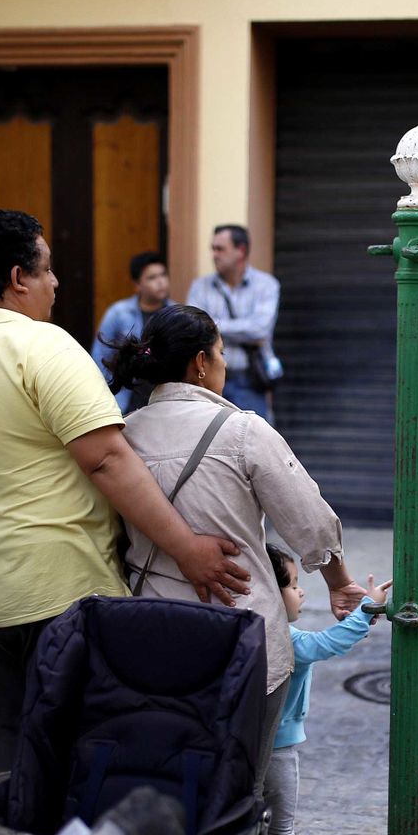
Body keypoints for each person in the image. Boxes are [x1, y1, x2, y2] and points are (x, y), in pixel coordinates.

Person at [0, 209, 250, 780]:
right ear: (18, 279)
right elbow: (107, 458)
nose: (56, 283)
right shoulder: (43, 347)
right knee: (76, 770)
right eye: (48, 270)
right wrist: (186, 548)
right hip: (58, 596)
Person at [107, 303, 365, 776]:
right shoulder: (244, 431)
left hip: (150, 640)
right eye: (222, 353)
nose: (224, 364)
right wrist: (340, 582)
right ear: (200, 363)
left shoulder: (120, 437)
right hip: (241, 644)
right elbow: (312, 523)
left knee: (166, 780)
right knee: (239, 788)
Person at [264, 544, 388, 835]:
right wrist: (366, 609)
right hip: (278, 751)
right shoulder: (283, 638)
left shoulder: (245, 627)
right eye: (292, 585)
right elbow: (326, 644)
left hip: (245, 744)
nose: (301, 592)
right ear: (269, 593)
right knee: (280, 831)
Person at [186, 224, 282, 420]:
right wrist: (243, 328)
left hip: (249, 380)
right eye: (212, 249)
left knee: (253, 436)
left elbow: (259, 329)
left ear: (241, 251)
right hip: (207, 381)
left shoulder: (266, 285)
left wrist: (212, 325)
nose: (214, 255)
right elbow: (193, 327)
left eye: (220, 249)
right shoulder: (200, 286)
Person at [94, 250, 173, 412]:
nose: (161, 282)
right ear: (137, 285)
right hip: (127, 399)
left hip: (165, 399)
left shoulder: (176, 313)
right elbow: (100, 357)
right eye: (152, 277)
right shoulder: (118, 313)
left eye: (163, 275)